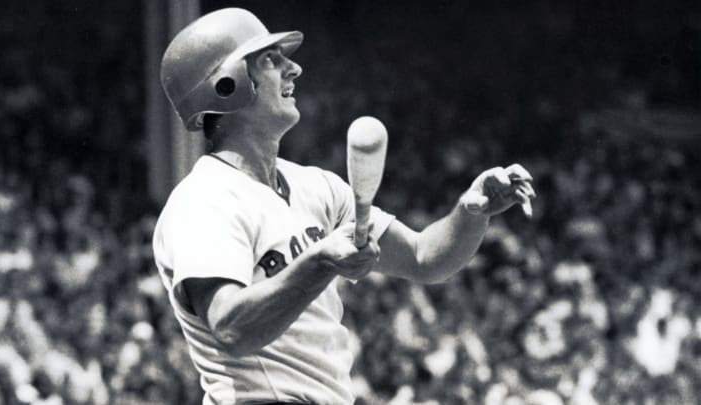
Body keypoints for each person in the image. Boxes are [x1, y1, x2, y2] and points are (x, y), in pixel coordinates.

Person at [153, 7, 536, 405]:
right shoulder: (204, 200)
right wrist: (320, 262)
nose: (293, 69)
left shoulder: (315, 186)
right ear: (227, 85)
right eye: (270, 59)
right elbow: (231, 329)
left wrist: (472, 213)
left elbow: (426, 258)